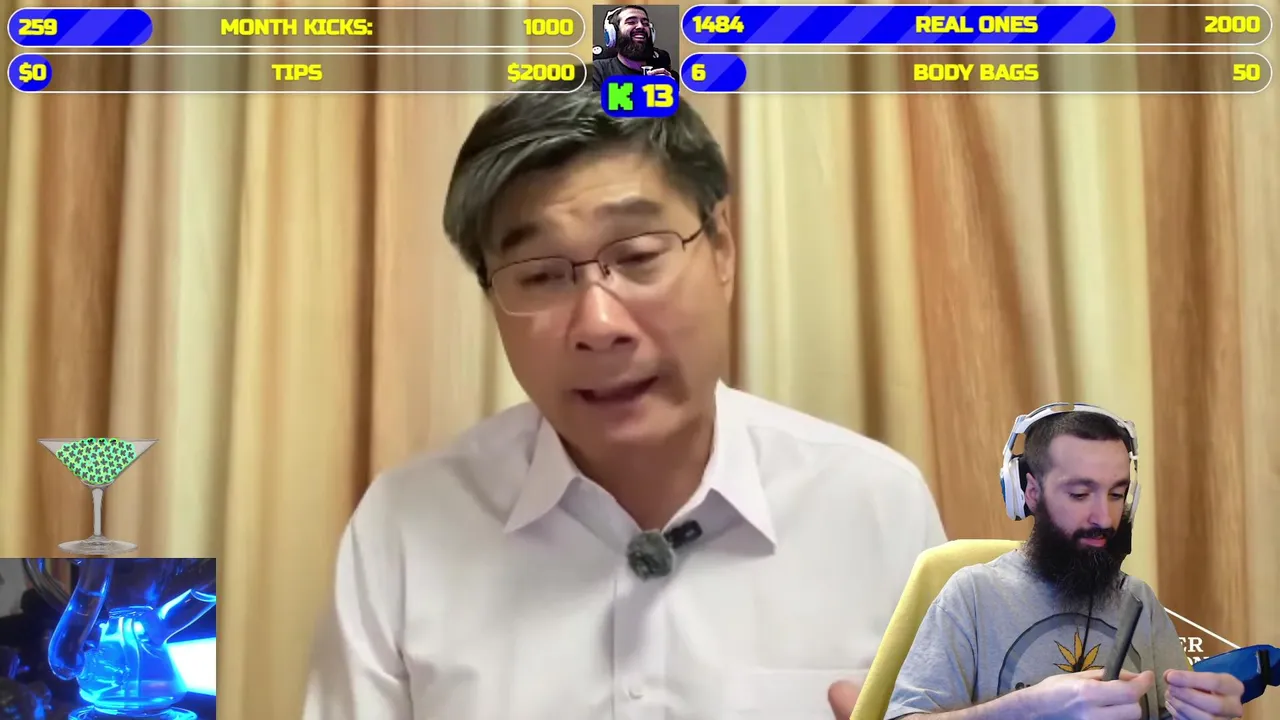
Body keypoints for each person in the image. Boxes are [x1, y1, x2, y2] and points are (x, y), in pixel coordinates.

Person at [301, 86, 947, 720]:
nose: (599, 324)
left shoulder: (875, 509)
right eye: (541, 275)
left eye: (637, 256)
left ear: (721, 249)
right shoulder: (404, 531)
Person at [885, 405, 1246, 720]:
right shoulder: (972, 596)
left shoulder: (1138, 601)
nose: (1104, 517)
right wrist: (1028, 708)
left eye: (1117, 494)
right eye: (1080, 494)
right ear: (1030, 493)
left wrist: (1208, 713)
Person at [591, 5, 677, 90]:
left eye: (645, 23)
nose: (641, 26)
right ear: (613, 33)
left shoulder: (665, 73)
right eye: (631, 22)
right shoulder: (598, 71)